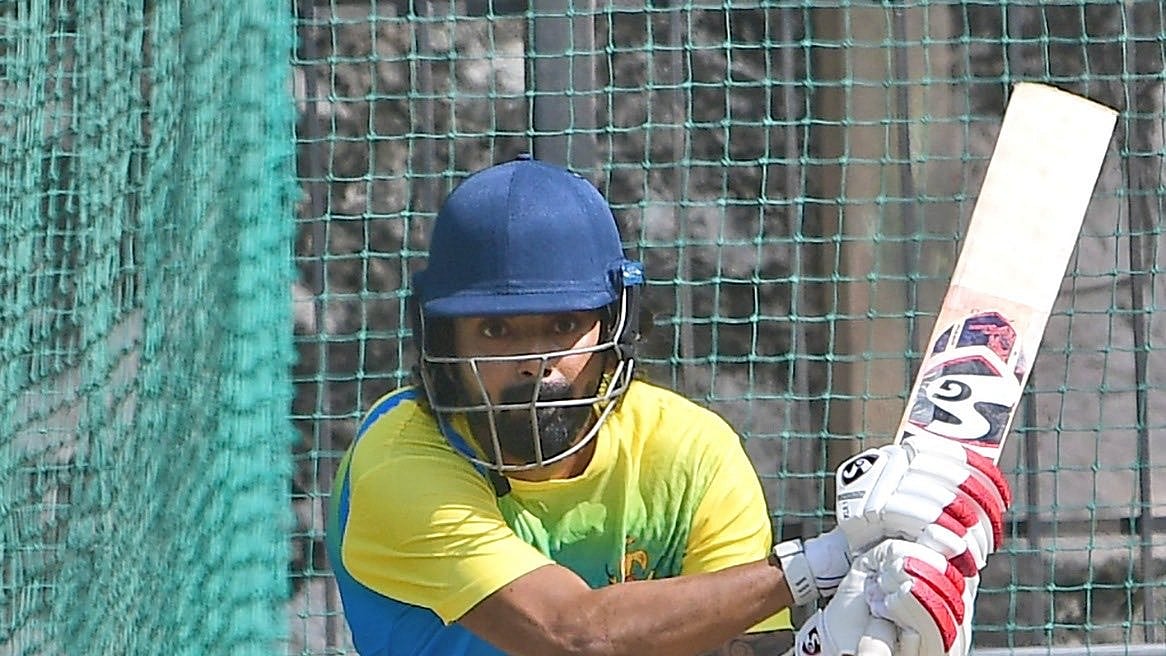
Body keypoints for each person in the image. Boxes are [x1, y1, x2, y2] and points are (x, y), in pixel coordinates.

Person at [326, 155, 1011, 656]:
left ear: (615, 325)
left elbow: (741, 650)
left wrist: (847, 636)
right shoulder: (400, 461)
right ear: (441, 338)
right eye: (497, 330)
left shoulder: (689, 453)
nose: (536, 361)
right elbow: (573, 635)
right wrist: (822, 562)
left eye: (564, 324)